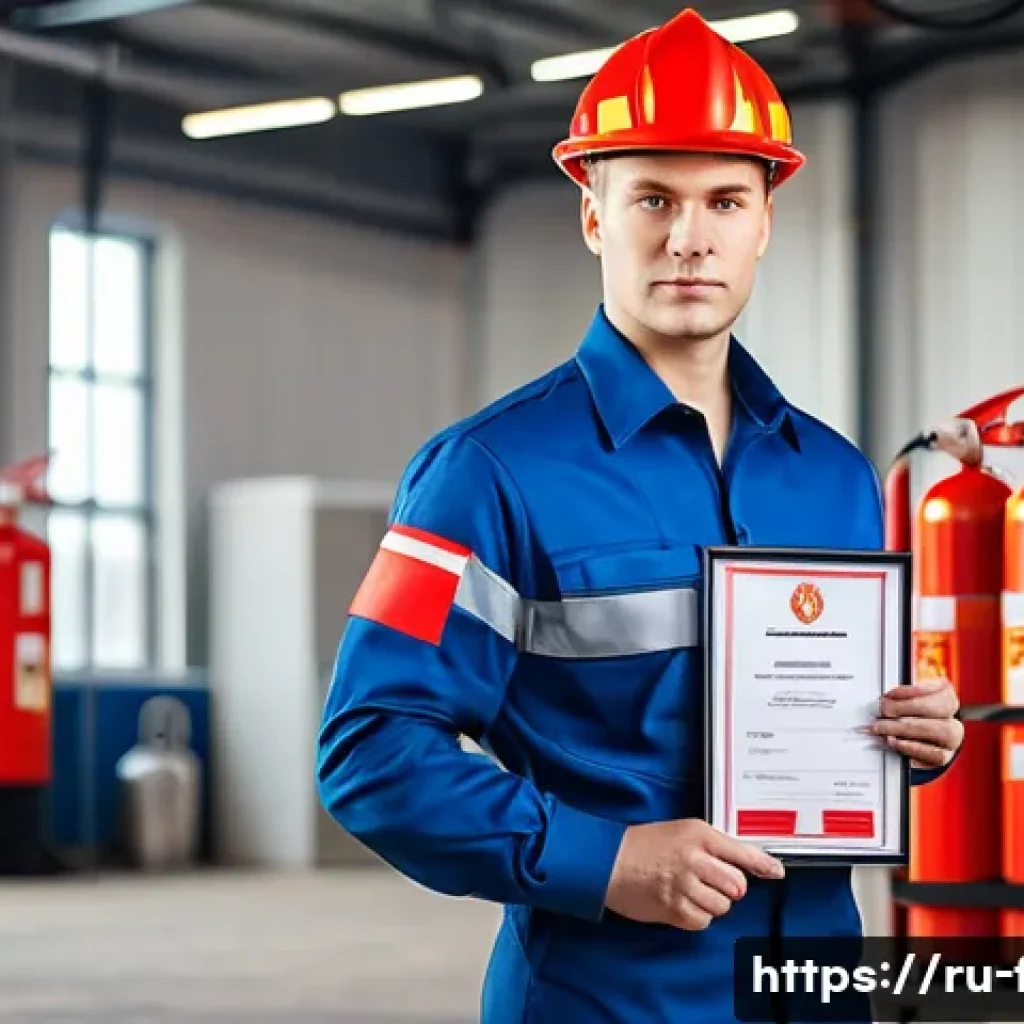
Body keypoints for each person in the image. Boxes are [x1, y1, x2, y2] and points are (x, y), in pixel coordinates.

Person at [316, 8, 963, 1023]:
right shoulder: (483, 473)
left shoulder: (835, 476)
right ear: (592, 216)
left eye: (723, 200)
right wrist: (603, 858)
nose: (688, 238)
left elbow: (835, 738)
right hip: (608, 997)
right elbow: (370, 749)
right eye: (652, 197)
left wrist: (916, 740)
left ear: (764, 221)